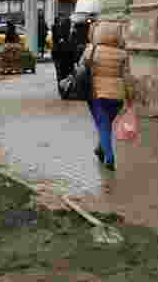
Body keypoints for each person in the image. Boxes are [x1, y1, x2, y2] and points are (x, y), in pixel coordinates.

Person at [80, 22, 132, 171]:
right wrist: (129, 96)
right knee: (105, 124)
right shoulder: (122, 54)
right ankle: (99, 148)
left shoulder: (92, 49)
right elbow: (127, 77)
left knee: (103, 125)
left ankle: (109, 158)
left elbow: (82, 66)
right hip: (117, 97)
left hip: (98, 94)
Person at [52, 16, 73, 82]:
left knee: (60, 74)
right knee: (63, 73)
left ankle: (62, 86)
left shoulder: (62, 32)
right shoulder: (67, 35)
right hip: (63, 58)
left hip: (60, 57)